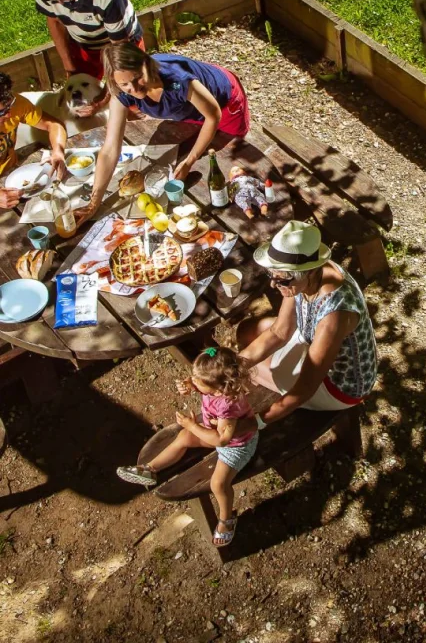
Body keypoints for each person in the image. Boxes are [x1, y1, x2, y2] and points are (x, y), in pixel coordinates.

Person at [73, 43, 250, 226]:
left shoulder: (178, 79)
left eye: (137, 78)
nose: (133, 89)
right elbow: (109, 150)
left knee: (233, 152)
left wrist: (190, 160)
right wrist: (93, 204)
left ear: (146, 64)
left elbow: (213, 117)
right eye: (125, 84)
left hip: (224, 103)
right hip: (188, 110)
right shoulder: (120, 91)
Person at [116, 345, 258, 547]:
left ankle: (227, 519)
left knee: (217, 484)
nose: (194, 382)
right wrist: (190, 385)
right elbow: (199, 385)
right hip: (213, 432)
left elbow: (221, 440)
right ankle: (150, 469)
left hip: (237, 445)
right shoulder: (215, 387)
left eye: (199, 381)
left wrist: (192, 425)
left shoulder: (227, 406)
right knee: (183, 437)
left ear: (218, 387)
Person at [237, 220, 378, 421]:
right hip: (312, 340)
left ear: (310, 272)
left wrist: (258, 422)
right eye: (272, 274)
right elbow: (279, 331)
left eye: (282, 279)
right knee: (246, 332)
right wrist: (233, 366)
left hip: (340, 384)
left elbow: (305, 388)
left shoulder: (334, 316)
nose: (273, 284)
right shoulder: (310, 273)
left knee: (251, 369)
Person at [34, 0, 144, 115]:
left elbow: (120, 54)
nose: (63, 5)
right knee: (83, 106)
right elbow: (54, 21)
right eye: (56, 1)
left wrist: (102, 101)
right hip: (82, 42)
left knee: (130, 101)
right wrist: (70, 68)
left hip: (121, 42)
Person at [0, 73, 67, 208]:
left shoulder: (16, 104)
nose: (8, 114)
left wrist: (58, 149)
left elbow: (54, 125)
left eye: (8, 106)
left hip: (13, 177)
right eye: (1, 112)